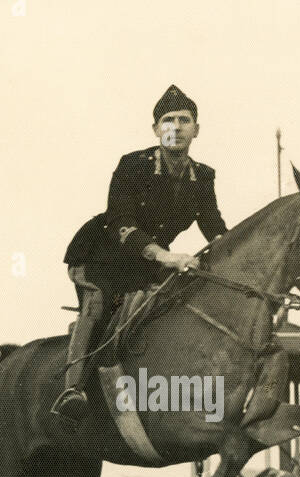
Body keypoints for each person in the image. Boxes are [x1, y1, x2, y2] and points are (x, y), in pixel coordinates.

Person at [52, 84, 228, 424]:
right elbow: (122, 223)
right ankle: (72, 391)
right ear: (155, 129)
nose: (176, 127)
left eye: (184, 120)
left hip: (144, 266)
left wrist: (235, 255)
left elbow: (214, 226)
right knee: (99, 301)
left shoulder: (203, 176)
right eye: (168, 120)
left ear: (196, 129)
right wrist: (166, 256)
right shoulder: (132, 165)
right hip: (100, 257)